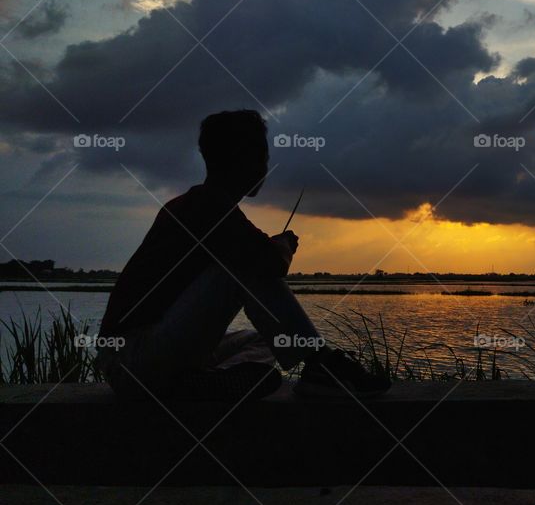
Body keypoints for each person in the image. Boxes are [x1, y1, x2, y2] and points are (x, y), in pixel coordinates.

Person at [96, 109, 389, 401]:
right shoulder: (209, 206)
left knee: (268, 340)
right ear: (243, 158)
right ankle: (319, 364)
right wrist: (284, 246)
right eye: (263, 155)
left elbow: (258, 253)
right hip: (132, 361)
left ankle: (199, 383)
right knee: (241, 269)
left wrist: (274, 247)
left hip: (146, 356)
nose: (266, 165)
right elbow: (270, 263)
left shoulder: (202, 205)